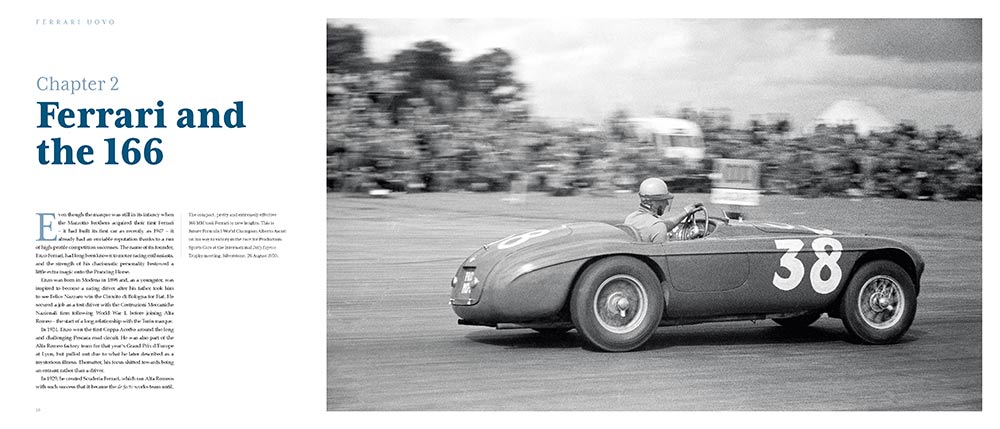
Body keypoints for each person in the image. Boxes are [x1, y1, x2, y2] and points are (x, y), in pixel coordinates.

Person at [624, 177, 704, 242]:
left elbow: (663, 225)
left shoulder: (630, 218)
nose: (667, 203)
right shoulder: (657, 226)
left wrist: (686, 212)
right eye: (663, 200)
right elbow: (664, 254)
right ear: (652, 202)